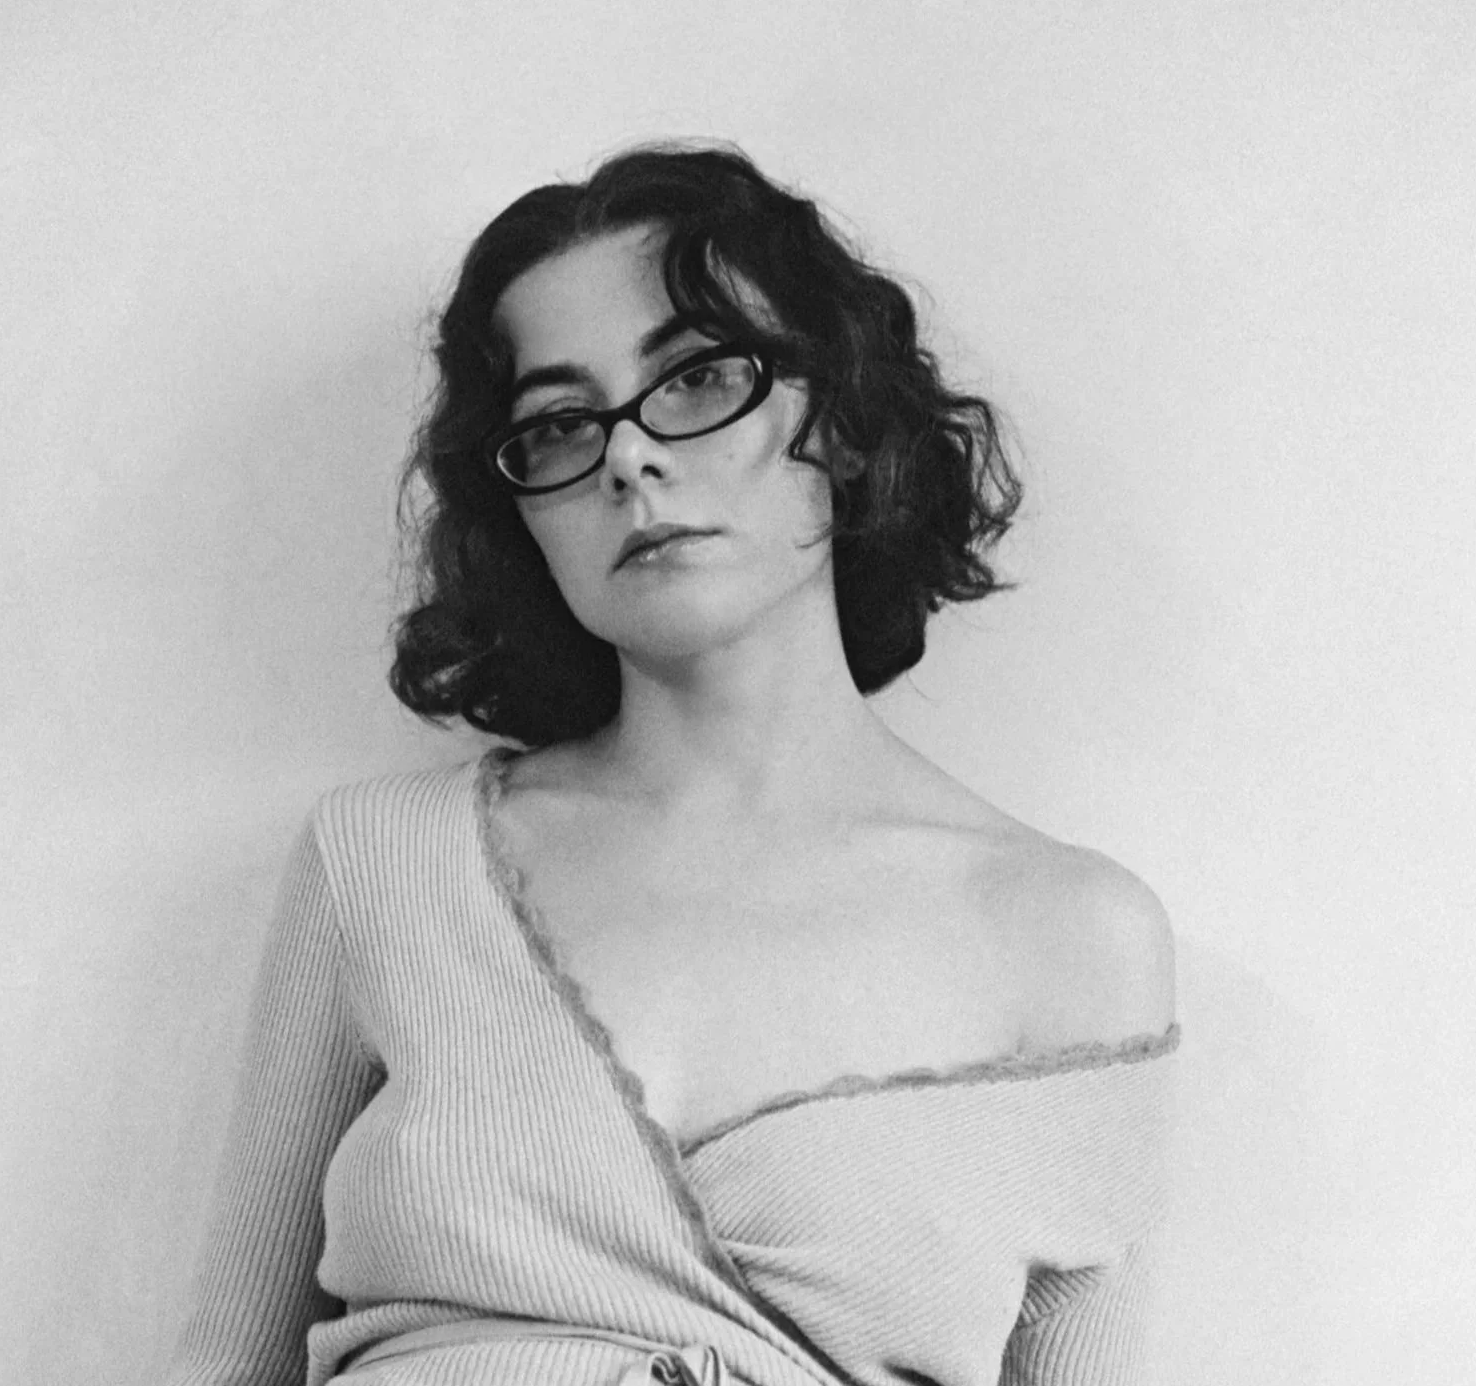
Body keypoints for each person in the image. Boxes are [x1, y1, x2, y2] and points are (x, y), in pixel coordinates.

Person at [164, 143, 1178, 1386]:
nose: (629, 459)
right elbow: (223, 1364)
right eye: (558, 425)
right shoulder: (384, 861)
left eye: (697, 379)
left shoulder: (1073, 936)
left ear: (839, 421)